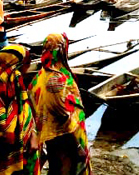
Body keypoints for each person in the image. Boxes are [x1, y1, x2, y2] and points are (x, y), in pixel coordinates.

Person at [30, 33, 92, 175]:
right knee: (67, 168)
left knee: (56, 166)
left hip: (51, 133)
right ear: (61, 50)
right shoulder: (55, 79)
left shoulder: (40, 75)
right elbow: (62, 113)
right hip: (65, 136)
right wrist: (76, 145)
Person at [0, 44, 40, 175]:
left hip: (26, 151)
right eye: (27, 62)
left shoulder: (17, 82)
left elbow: (26, 110)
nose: (29, 66)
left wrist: (33, 134)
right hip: (4, 153)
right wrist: (26, 133)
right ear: (16, 64)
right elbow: (2, 127)